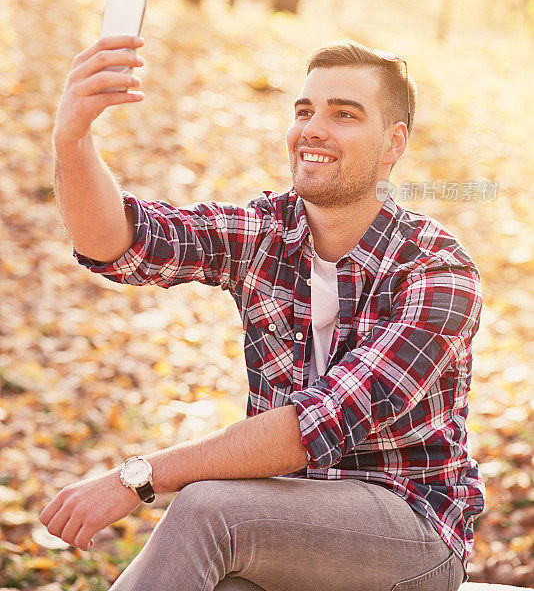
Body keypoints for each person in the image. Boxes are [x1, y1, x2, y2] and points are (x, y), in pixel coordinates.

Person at [40, 34, 483, 591]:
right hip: (289, 517)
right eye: (305, 111)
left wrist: (138, 478)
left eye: (343, 114)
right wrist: (72, 138)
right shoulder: (266, 233)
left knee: (209, 510)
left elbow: (319, 424)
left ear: (393, 143)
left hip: (413, 530)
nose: (313, 128)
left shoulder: (438, 270)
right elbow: (117, 241)